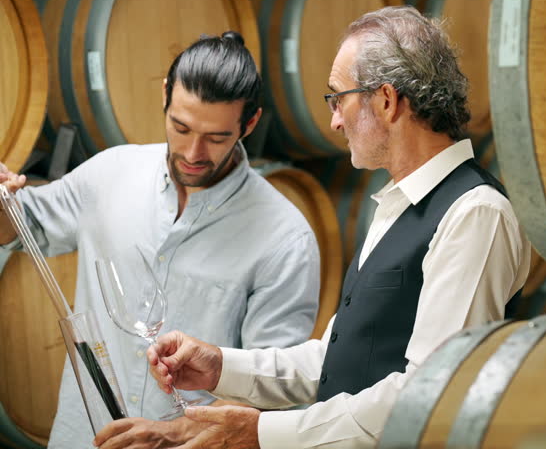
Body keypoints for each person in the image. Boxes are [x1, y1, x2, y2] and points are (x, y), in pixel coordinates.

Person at [107, 6, 531, 449]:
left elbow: (430, 395)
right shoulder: (396, 203)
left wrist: (259, 432)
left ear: (386, 100)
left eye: (338, 98)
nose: (334, 120)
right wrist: (220, 366)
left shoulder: (475, 213)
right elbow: (334, 359)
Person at [0, 32, 320, 448]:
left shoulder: (286, 239)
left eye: (217, 138)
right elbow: (23, 227)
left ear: (250, 123)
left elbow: (273, 390)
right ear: (166, 95)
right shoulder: (110, 173)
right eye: (181, 127)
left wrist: (171, 436)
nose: (192, 151)